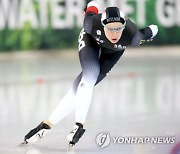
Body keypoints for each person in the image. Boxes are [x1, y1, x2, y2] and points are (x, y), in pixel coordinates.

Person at [22, 1, 158, 147]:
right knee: (89, 77)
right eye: (110, 29)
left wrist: (152, 31)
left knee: (79, 89)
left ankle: (46, 125)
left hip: (113, 53)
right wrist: (92, 6)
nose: (114, 33)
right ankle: (79, 125)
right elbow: (92, 5)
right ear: (103, 25)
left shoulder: (133, 36)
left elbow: (151, 30)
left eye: (118, 29)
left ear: (124, 27)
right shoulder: (90, 24)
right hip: (91, 40)